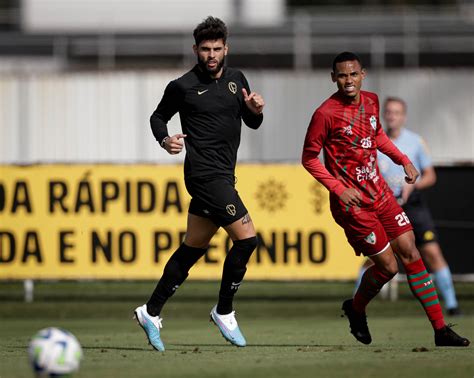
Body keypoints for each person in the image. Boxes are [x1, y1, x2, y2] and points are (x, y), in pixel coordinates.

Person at [301, 51, 469, 347]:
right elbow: (309, 159)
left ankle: (441, 330)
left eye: (353, 74)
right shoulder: (325, 114)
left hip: (380, 194)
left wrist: (403, 159)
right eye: (342, 75)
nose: (348, 80)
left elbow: (376, 136)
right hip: (352, 205)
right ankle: (355, 309)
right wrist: (339, 189)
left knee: (411, 252)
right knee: (389, 268)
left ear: (362, 74)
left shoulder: (371, 100)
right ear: (333, 78)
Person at [134, 16, 264, 351]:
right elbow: (157, 116)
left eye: (216, 49)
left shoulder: (237, 80)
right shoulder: (182, 85)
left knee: (193, 248)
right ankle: (224, 310)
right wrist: (165, 140)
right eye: (204, 49)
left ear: (226, 49)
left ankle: (150, 311)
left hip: (224, 174)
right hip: (204, 176)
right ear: (195, 49)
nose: (211, 55)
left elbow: (252, 123)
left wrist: (255, 110)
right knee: (247, 239)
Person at [354, 97, 461, 316]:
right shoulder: (371, 140)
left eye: (397, 112)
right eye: (389, 112)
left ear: (404, 116)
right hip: (382, 206)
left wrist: (414, 186)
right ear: (383, 115)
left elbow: (430, 175)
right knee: (378, 258)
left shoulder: (415, 141)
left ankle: (451, 305)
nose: (392, 116)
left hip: (412, 205)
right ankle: (356, 303)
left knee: (431, 252)